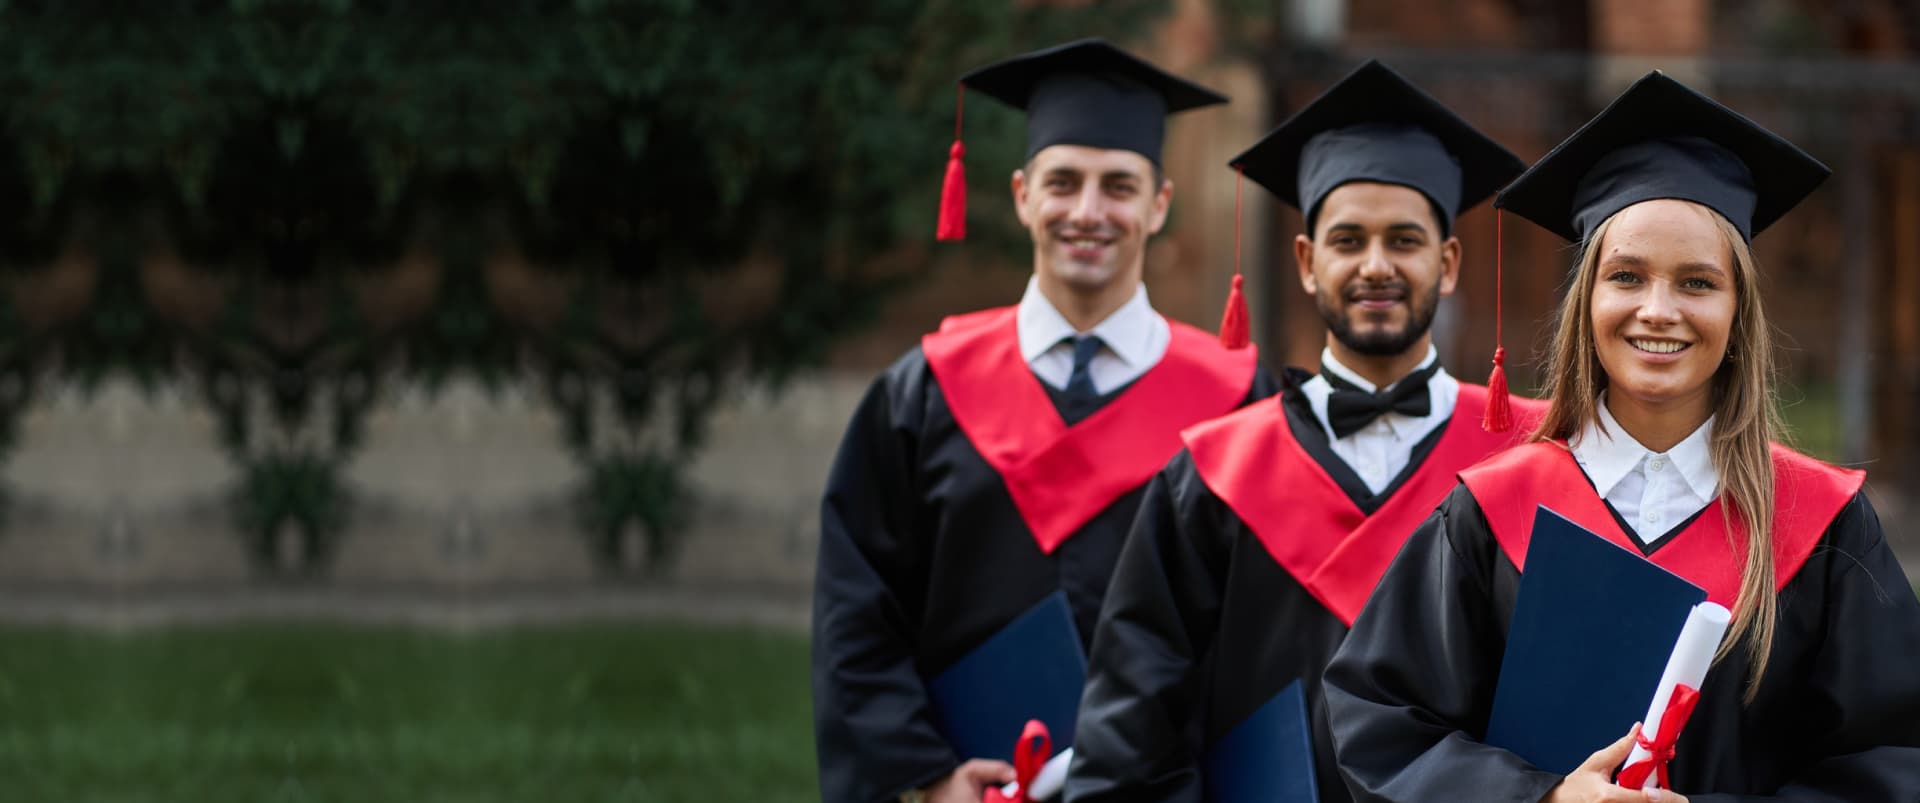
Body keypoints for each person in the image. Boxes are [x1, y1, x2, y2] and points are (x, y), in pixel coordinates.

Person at [1322, 71, 1920, 802]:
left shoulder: (1822, 523)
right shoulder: (1491, 510)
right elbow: (1379, 722)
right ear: (1588, 300)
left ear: (1739, 311)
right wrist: (1542, 796)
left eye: (1698, 283)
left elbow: (1893, 759)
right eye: (1627, 276)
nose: (1658, 310)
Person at [811, 39, 1279, 803]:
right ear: (1023, 194)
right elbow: (855, 610)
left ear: (1159, 204)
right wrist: (927, 773)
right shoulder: (924, 393)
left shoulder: (1236, 402)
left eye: (1118, 186)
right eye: (1063, 182)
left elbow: (1264, 632)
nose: (1088, 212)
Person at [1064, 60, 1537, 802]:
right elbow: (1136, 722)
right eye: (1348, 241)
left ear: (1447, 264)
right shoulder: (1215, 473)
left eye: (1404, 241)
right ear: (1309, 263)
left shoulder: (1531, 461)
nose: (1376, 266)